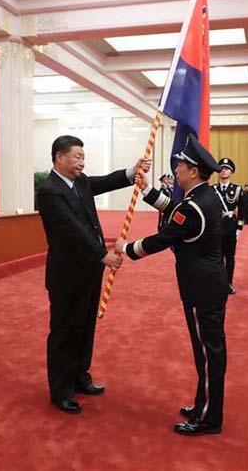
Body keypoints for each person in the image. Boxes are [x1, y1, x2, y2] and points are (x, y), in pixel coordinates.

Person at [116, 133, 227, 436]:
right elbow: (173, 210)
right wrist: (147, 189)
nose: (176, 168)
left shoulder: (192, 207)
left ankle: (208, 418)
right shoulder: (205, 196)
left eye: (180, 164)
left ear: (193, 171)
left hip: (201, 288)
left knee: (207, 353)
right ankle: (204, 404)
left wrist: (126, 249)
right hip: (210, 283)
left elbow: (162, 239)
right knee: (209, 350)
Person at [36, 135, 149, 415]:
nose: (82, 163)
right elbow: (71, 230)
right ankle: (61, 390)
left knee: (86, 326)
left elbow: (105, 181)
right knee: (65, 331)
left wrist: (132, 172)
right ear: (59, 157)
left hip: (89, 272)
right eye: (77, 157)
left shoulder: (81, 182)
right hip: (67, 275)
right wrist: (102, 255)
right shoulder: (50, 191)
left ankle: (79, 377)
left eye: (83, 158)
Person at [213, 158, 243, 294]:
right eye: (222, 168)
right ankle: (218, 283)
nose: (224, 170)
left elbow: (242, 210)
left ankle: (229, 282)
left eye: (227, 168)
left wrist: (239, 229)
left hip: (230, 225)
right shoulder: (212, 189)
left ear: (232, 171)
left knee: (230, 257)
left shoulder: (237, 189)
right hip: (216, 226)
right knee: (216, 256)